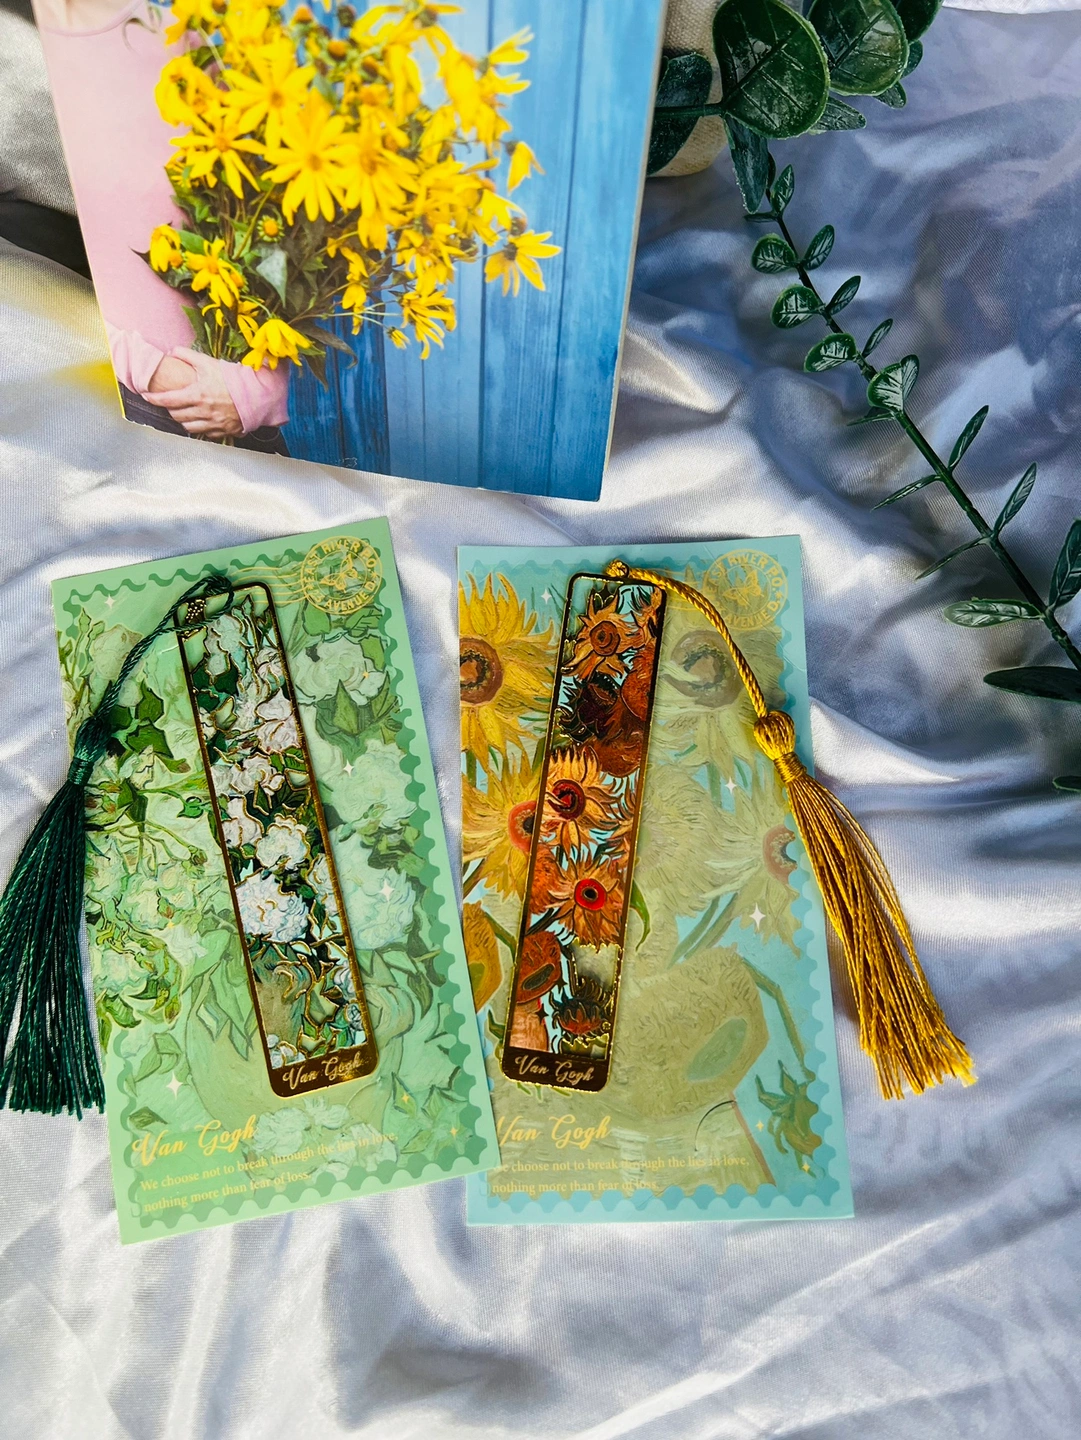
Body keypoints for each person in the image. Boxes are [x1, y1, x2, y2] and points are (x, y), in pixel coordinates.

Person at [34, 0, 290, 453]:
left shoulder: (187, 41)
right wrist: (152, 372)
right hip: (93, 418)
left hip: (232, 410)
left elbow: (271, 221)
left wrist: (259, 389)